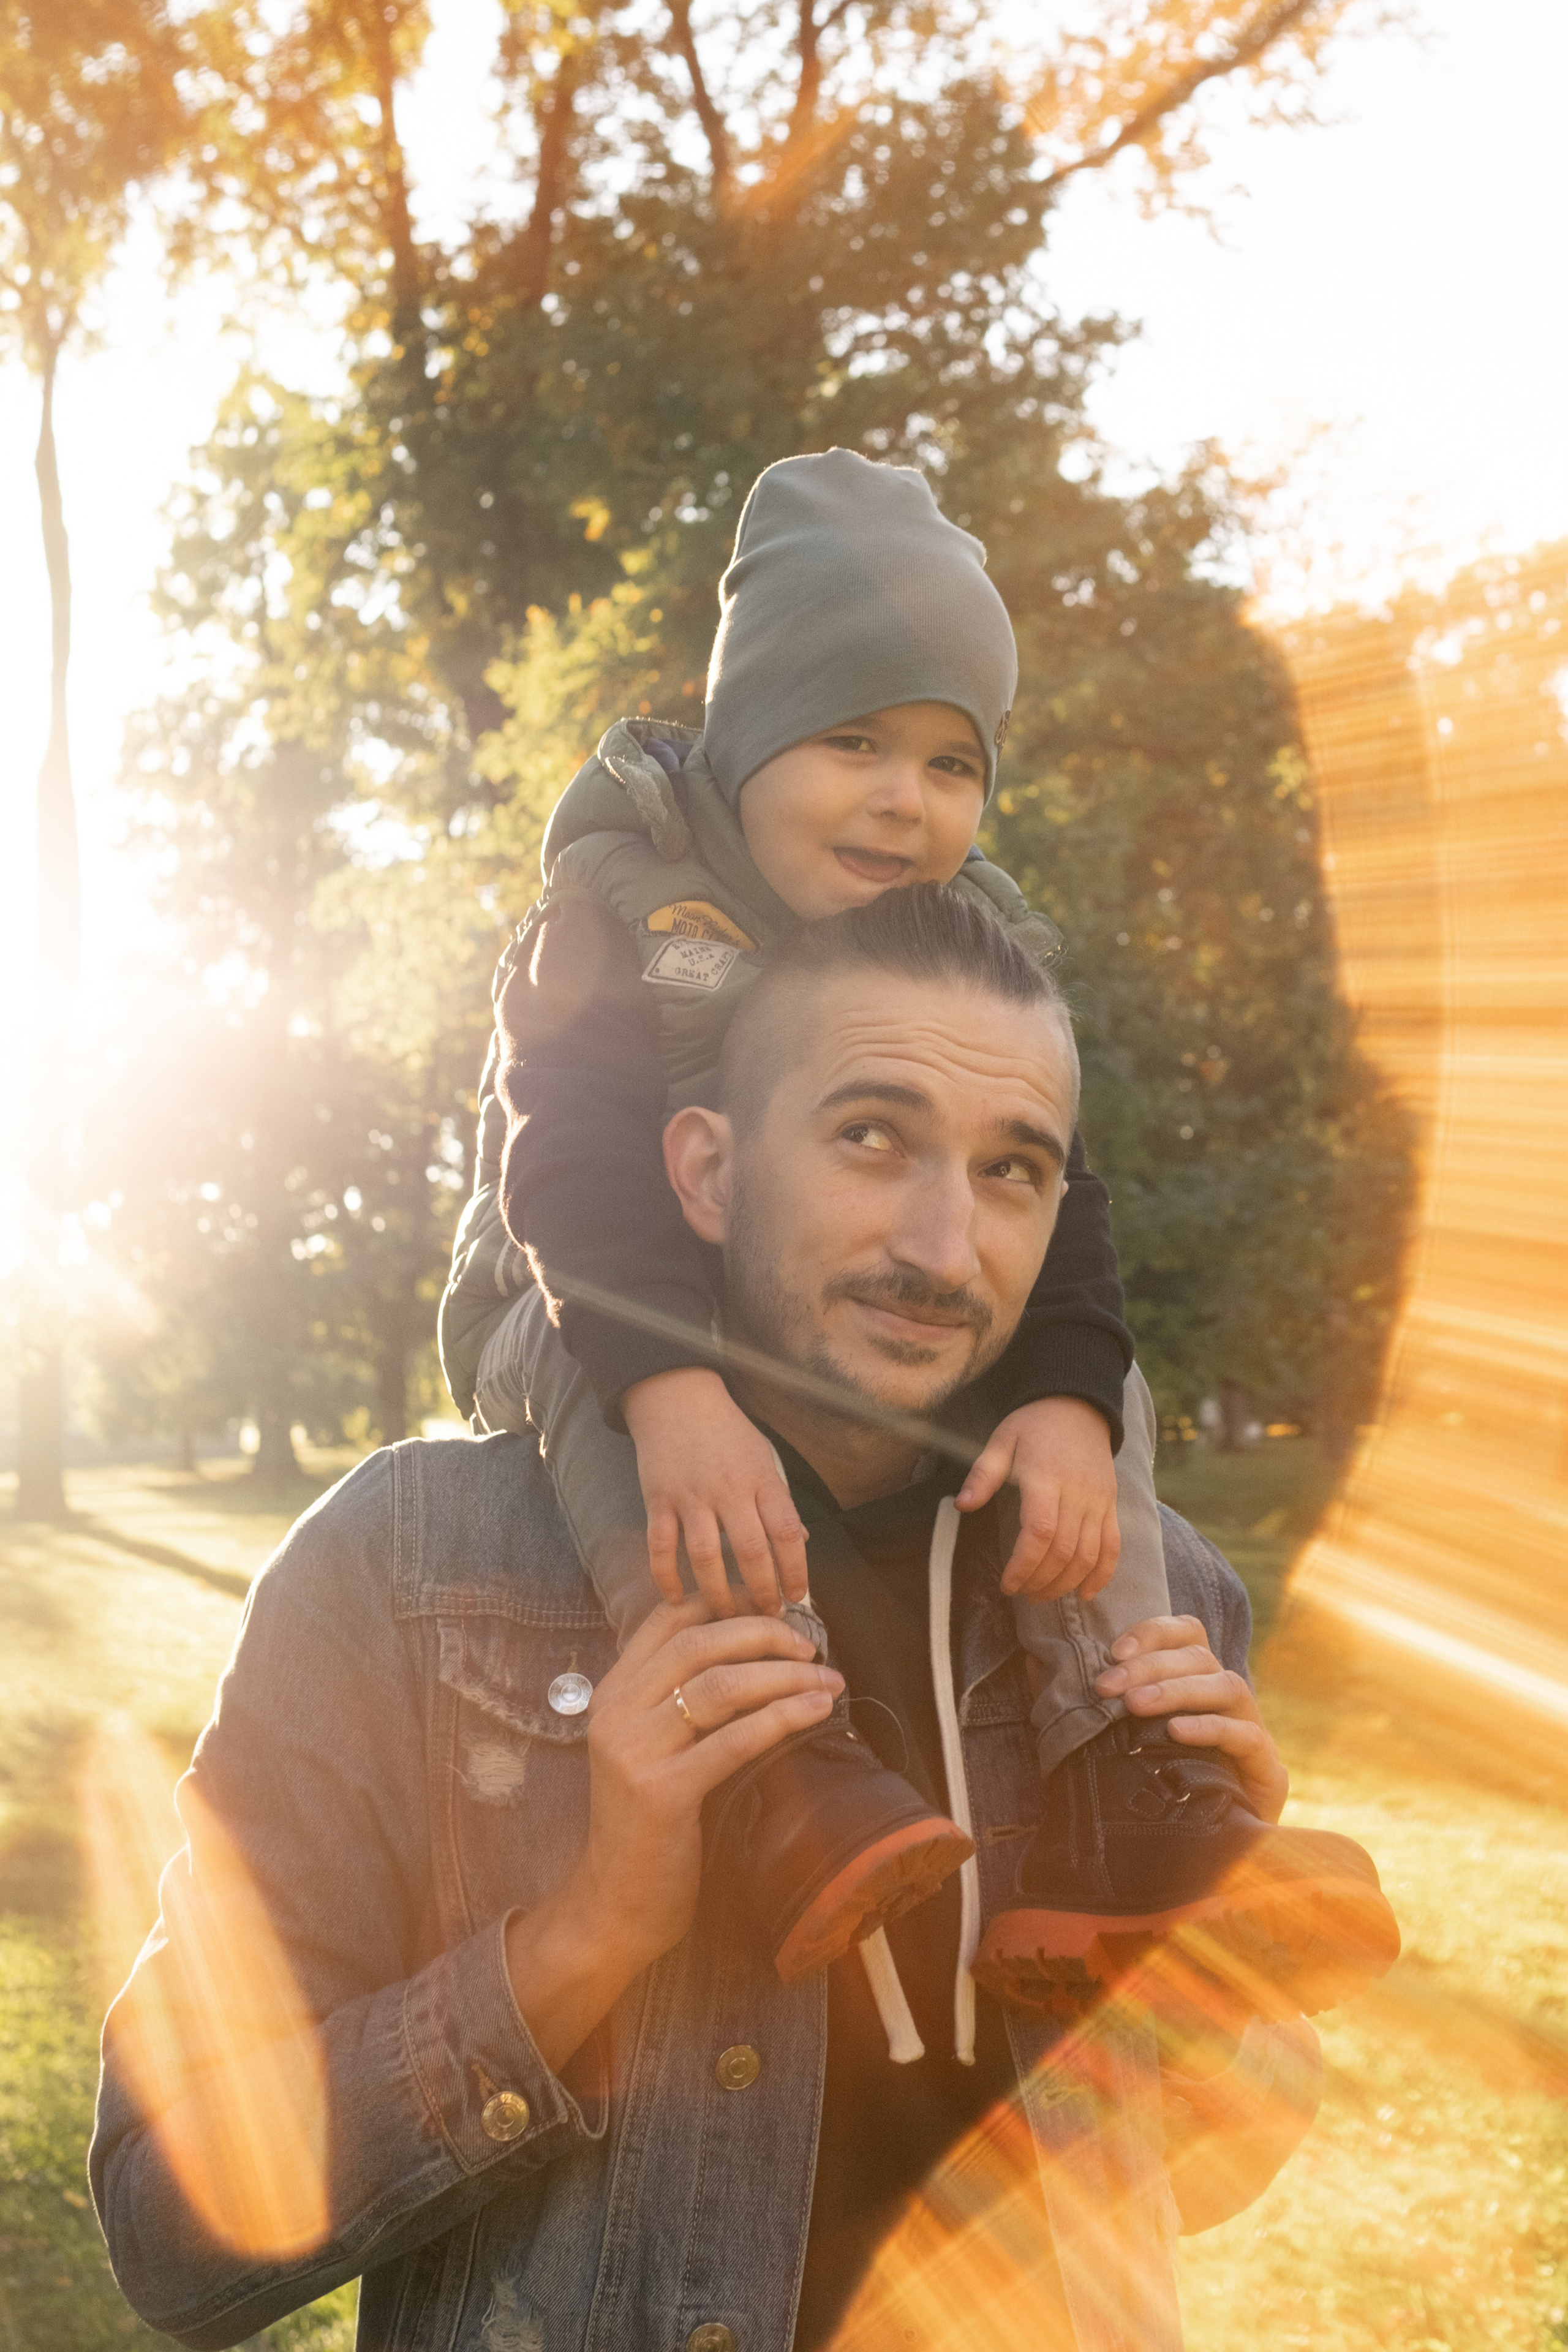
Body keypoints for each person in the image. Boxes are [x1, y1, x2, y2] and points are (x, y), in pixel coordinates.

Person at [92, 886, 1398, 2351]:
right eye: (871, 1138)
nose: (942, 1244)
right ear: (704, 1174)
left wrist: (1207, 1954)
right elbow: (168, 2228)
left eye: (1012, 1170)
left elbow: (1194, 2178)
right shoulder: (405, 1571)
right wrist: (586, 1938)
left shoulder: (1145, 1592)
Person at [442, 448, 1191, 2003]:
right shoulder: (624, 911)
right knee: (605, 1393)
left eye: (949, 764)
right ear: (744, 734)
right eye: (851, 740)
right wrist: (677, 1392)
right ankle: (782, 1761)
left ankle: (1125, 1771)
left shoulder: (961, 958)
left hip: (822, 1304)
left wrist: (1057, 1402)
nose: (902, 799)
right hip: (583, 1285)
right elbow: (566, 1162)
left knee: (1092, 1379)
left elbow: (1063, 1197)